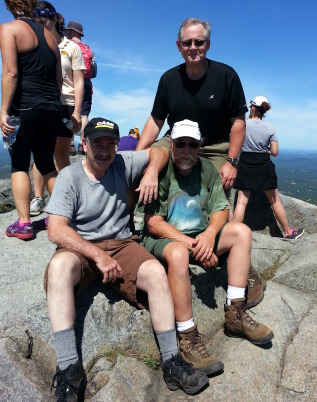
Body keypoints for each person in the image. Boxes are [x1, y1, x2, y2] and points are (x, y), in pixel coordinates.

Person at [44, 117, 209, 400]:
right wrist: (96, 254)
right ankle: (69, 367)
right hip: (82, 247)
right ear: (84, 144)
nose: (106, 151)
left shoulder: (122, 163)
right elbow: (55, 229)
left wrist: (150, 173)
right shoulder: (69, 177)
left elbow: (159, 150)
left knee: (156, 273)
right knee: (59, 267)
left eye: (111, 144)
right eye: (98, 144)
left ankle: (171, 360)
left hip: (122, 244)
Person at [140, 120, 274, 376]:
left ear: (200, 146)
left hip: (199, 237)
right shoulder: (162, 171)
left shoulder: (207, 170)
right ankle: (187, 336)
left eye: (193, 144)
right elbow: (154, 223)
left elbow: (221, 209)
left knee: (241, 232)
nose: (187, 150)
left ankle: (235, 312)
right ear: (171, 145)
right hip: (165, 239)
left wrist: (210, 234)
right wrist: (194, 244)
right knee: (179, 253)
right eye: (181, 144)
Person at [136, 17, 247, 193]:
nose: (193, 47)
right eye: (187, 43)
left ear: (208, 44)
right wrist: (138, 156)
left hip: (213, 147)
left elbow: (238, 121)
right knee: (146, 164)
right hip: (176, 141)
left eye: (199, 42)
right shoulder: (168, 79)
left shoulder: (226, 76)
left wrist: (231, 162)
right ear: (179, 46)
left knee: (215, 194)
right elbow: (156, 120)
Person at [0, 0, 62, 240]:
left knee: (18, 164)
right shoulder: (51, 37)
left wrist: (3, 111)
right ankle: (61, 218)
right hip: (51, 107)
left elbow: (11, 73)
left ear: (8, 2)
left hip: (24, 108)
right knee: (47, 163)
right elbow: (59, 79)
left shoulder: (9, 29)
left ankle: (24, 224)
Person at [30, 2, 85, 218]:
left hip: (66, 104)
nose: (40, 26)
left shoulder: (70, 47)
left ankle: (64, 200)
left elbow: (79, 80)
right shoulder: (36, 44)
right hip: (43, 102)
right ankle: (37, 198)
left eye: (42, 22)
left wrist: (77, 111)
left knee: (61, 153)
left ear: (53, 20)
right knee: (41, 151)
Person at [233, 96, 304, 240]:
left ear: (252, 107)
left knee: (241, 201)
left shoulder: (242, 124)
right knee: (275, 202)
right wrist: (266, 151)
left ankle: (232, 234)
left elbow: (235, 145)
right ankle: (288, 232)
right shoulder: (270, 127)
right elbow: (275, 152)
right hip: (264, 166)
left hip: (245, 164)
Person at [65, 20, 97, 156]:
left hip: (72, 81)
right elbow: (94, 72)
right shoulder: (88, 49)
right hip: (86, 84)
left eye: (67, 31)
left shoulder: (68, 46)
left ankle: (70, 145)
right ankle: (82, 144)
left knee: (71, 112)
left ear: (71, 31)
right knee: (84, 114)